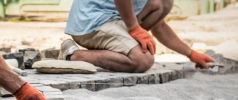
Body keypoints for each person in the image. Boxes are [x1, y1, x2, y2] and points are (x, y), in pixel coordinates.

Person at [60, 0, 214, 73]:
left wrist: (190, 53)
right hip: (91, 21)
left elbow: (159, 26)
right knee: (142, 60)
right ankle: (72, 55)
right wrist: (134, 28)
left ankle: (124, 49)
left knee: (162, 3)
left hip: (113, 19)